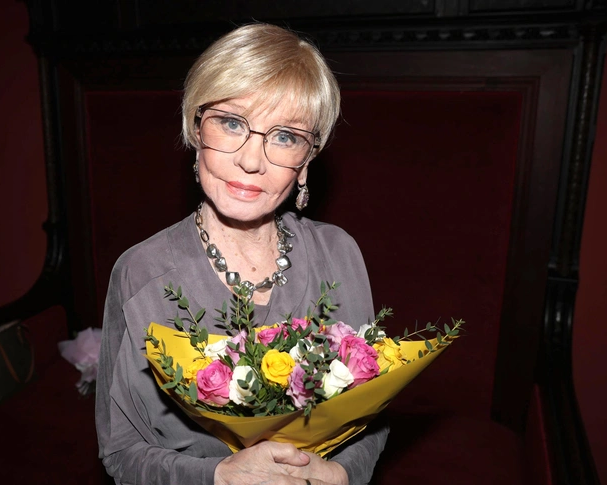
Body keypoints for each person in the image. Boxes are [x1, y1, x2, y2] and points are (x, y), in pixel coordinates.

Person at [96, 23, 389, 485]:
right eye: (232, 123)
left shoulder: (339, 255)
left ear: (306, 160)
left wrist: (342, 474)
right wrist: (217, 477)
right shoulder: (141, 273)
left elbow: (373, 417)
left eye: (285, 136)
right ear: (196, 129)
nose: (252, 161)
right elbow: (122, 453)